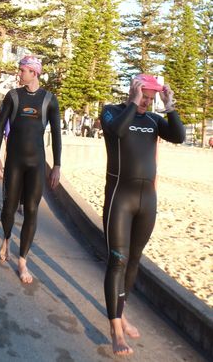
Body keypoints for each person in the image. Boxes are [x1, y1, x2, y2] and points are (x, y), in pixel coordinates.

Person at [100, 73, 185, 356]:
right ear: (134, 90)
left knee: (134, 260)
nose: (147, 102)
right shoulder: (111, 112)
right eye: (144, 96)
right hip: (120, 198)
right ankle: (115, 330)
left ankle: (121, 312)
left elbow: (179, 136)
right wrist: (133, 103)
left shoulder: (153, 120)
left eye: (150, 98)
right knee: (117, 260)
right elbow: (118, 132)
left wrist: (169, 106)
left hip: (147, 200)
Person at [0, 55, 62, 284]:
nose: (19, 73)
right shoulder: (13, 96)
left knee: (32, 209)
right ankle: (6, 238)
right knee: (9, 208)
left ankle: (22, 260)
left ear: (34, 72)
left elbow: (57, 134)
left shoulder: (49, 100)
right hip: (14, 161)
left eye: (22, 70)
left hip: (36, 163)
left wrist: (57, 165)